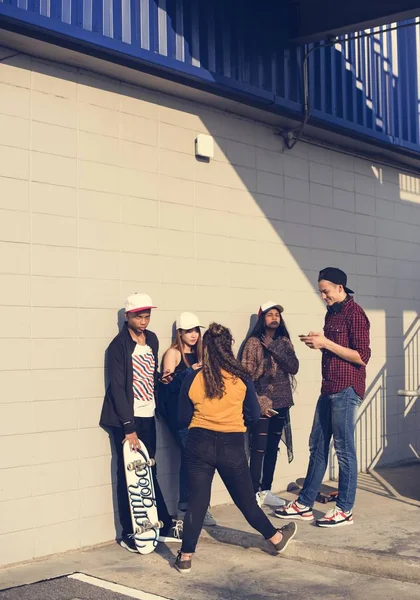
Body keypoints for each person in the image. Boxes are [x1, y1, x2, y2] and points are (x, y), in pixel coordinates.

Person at [174, 323, 297, 574]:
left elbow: (181, 417)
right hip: (231, 445)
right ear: (228, 347)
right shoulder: (241, 379)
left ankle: (185, 557)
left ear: (206, 348)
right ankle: (275, 539)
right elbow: (253, 415)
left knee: (197, 503)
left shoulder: (193, 376)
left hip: (198, 444)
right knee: (246, 502)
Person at [276, 268, 371, 527]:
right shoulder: (331, 314)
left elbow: (361, 357)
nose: (323, 296)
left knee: (344, 449)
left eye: (326, 291)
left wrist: (326, 344)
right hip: (328, 388)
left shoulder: (356, 313)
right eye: (321, 292)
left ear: (340, 288)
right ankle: (305, 504)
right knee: (317, 446)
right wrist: (319, 341)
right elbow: (335, 348)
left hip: (347, 389)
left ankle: (345, 510)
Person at [100, 293, 182, 552]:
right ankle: (128, 533)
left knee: (148, 470)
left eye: (147, 316)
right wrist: (128, 427)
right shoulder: (118, 347)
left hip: (147, 414)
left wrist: (163, 380)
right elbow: (117, 388)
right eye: (139, 316)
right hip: (126, 419)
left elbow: (147, 375)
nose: (144, 321)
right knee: (128, 475)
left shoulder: (153, 340)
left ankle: (160, 524)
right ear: (128, 317)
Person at [159, 312, 216, 526]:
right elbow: (167, 386)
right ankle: (187, 508)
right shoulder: (173, 354)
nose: (193, 335)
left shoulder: (201, 353)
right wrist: (188, 372)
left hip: (200, 414)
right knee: (193, 460)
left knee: (198, 460)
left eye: (196, 330)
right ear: (179, 333)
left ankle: (195, 507)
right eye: (188, 331)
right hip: (181, 416)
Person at [241, 301, 299, 508]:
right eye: (270, 314)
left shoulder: (283, 341)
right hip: (262, 403)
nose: (274, 318)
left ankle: (266, 490)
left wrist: (274, 347)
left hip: (282, 402)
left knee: (273, 449)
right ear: (262, 319)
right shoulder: (253, 343)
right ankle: (253, 492)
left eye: (277, 315)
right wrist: (258, 402)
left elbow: (294, 367)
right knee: (258, 449)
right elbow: (245, 375)